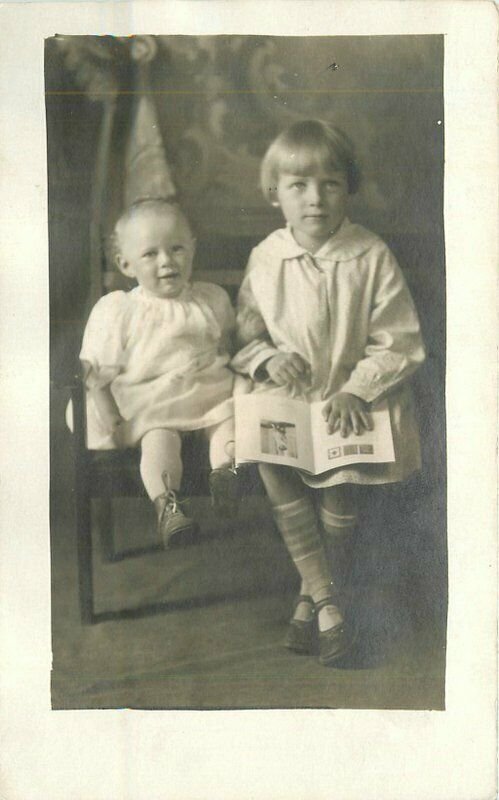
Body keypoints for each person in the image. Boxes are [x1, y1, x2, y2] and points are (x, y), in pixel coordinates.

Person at [231, 120, 425, 666]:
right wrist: (269, 357)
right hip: (291, 391)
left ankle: (312, 595)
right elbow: (245, 331)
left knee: (341, 484)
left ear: (348, 187)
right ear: (276, 195)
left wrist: (358, 389)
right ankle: (328, 601)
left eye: (329, 184)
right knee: (270, 456)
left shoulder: (370, 255)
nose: (315, 198)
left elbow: (400, 340)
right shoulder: (266, 257)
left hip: (351, 391)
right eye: (298, 186)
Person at [72, 198, 240, 546]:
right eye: (150, 254)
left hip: (205, 389)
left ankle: (225, 475)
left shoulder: (211, 299)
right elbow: (97, 372)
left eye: (176, 248)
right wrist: (114, 422)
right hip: (152, 400)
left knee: (229, 417)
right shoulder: (120, 309)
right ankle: (168, 505)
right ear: (126, 264)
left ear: (192, 249)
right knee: (158, 437)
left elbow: (227, 346)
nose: (166, 261)